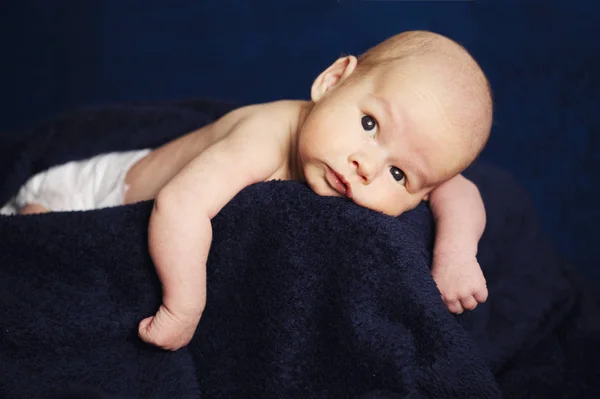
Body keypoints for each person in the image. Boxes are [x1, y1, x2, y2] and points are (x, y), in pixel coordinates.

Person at [1, 30, 493, 351]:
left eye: (400, 175)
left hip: (154, 199)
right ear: (333, 81)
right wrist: (183, 306)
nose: (367, 166)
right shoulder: (264, 138)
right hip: (94, 190)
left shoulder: (399, 167)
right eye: (369, 124)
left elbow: (459, 189)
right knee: (42, 245)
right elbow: (180, 205)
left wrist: (456, 254)